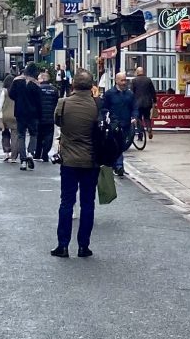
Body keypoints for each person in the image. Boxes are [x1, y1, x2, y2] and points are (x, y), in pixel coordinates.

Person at [51, 68, 100, 259]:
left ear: (73, 85)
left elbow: (57, 121)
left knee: (67, 203)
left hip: (69, 160)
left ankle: (63, 245)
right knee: (88, 204)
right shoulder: (97, 105)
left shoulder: (63, 103)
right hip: (91, 161)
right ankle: (83, 246)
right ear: (91, 86)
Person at [100, 70, 137, 177]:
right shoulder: (109, 94)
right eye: (122, 80)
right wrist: (105, 117)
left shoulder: (130, 94)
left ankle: (115, 164)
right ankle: (119, 166)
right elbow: (104, 107)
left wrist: (134, 117)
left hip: (126, 124)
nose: (124, 82)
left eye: (125, 80)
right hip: (114, 125)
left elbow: (134, 107)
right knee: (117, 144)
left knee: (122, 145)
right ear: (116, 81)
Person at [9, 63, 42, 170]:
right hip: (33, 114)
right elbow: (39, 102)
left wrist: (19, 100)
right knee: (33, 134)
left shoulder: (17, 81)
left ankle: (23, 160)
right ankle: (30, 153)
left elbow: (11, 94)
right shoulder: (36, 85)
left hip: (20, 112)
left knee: (21, 135)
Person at [35, 71, 58, 162]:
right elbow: (56, 103)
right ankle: (45, 153)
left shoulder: (37, 89)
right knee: (49, 136)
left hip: (39, 117)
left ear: (43, 79)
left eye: (39, 78)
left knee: (39, 136)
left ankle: (37, 153)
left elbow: (35, 103)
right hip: (50, 117)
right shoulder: (54, 90)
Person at [131, 65, 158, 139]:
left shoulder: (134, 80)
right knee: (147, 117)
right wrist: (155, 101)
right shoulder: (148, 80)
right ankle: (149, 128)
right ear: (143, 72)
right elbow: (153, 91)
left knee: (139, 118)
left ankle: (140, 134)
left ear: (137, 72)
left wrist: (131, 102)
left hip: (138, 103)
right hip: (147, 102)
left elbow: (132, 93)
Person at [0, 73, 16, 162]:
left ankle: (7, 153)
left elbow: (0, 105)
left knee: (5, 134)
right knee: (15, 136)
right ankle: (14, 156)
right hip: (16, 115)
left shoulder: (5, 91)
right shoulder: (17, 91)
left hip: (5, 116)